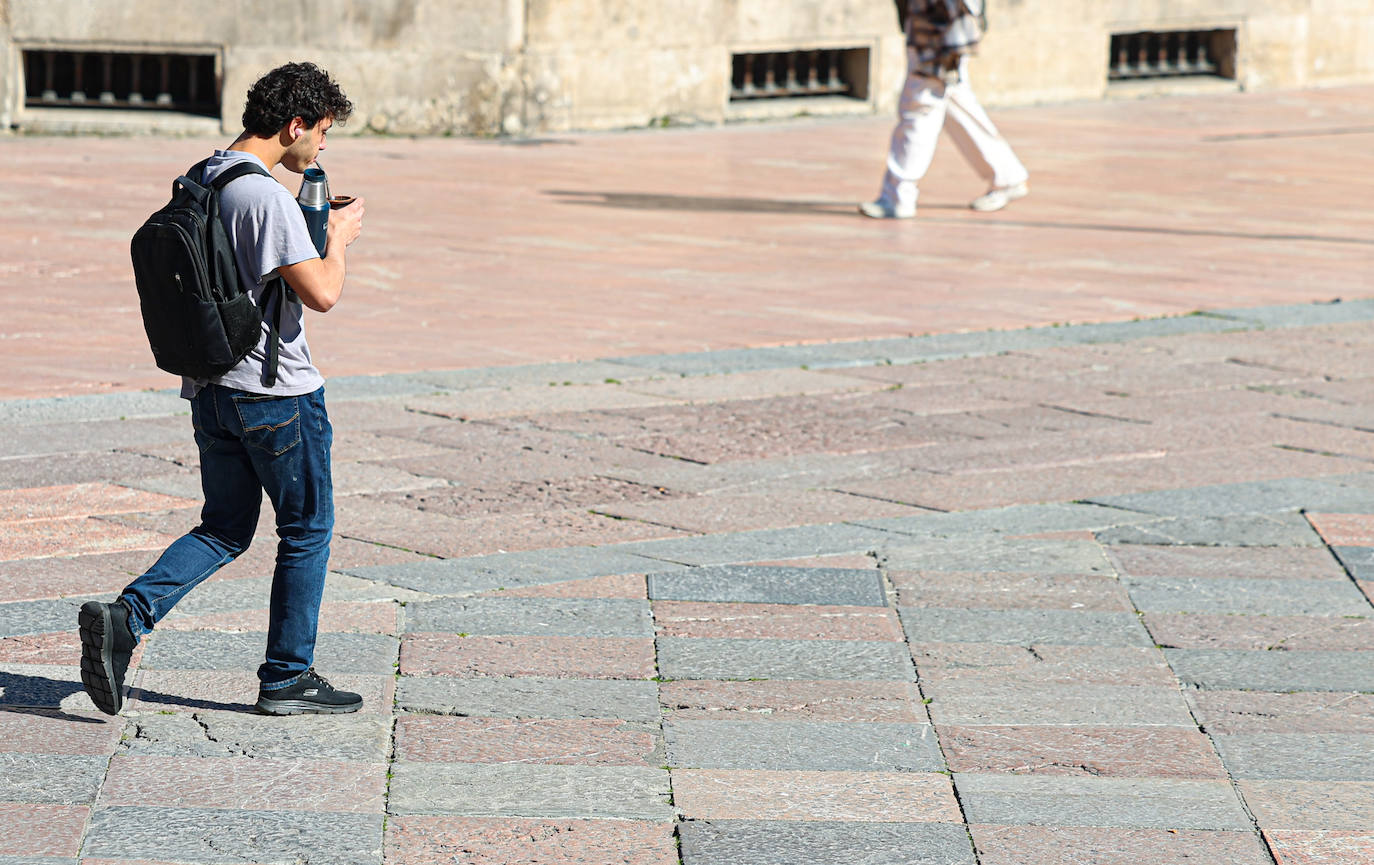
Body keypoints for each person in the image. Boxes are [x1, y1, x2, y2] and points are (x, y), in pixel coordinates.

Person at [78, 62, 366, 716]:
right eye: (320, 133)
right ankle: (288, 676)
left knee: (225, 526)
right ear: (293, 125)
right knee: (307, 527)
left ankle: (128, 616)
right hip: (276, 392)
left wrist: (307, 227)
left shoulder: (209, 173)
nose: (322, 147)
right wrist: (340, 240)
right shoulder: (264, 197)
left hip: (211, 390)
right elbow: (321, 292)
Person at [860, 0, 1029, 219]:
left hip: (940, 24)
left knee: (921, 103)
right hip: (939, 22)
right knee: (950, 97)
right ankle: (1006, 176)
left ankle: (898, 194)